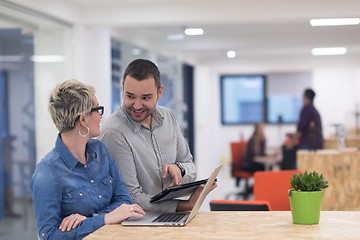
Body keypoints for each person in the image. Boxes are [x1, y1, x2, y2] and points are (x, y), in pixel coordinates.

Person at [31, 80, 145, 240]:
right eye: (98, 109)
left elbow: (124, 200)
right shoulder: (47, 173)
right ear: (83, 119)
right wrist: (104, 219)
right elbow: (49, 236)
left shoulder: (101, 150)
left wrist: (92, 220)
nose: (101, 115)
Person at [99, 59, 207, 213]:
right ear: (122, 88)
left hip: (169, 218)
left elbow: (189, 165)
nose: (136, 106)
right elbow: (131, 197)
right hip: (138, 222)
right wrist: (183, 206)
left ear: (160, 92)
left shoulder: (168, 117)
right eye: (130, 96)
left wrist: (179, 169)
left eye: (145, 98)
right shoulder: (114, 132)